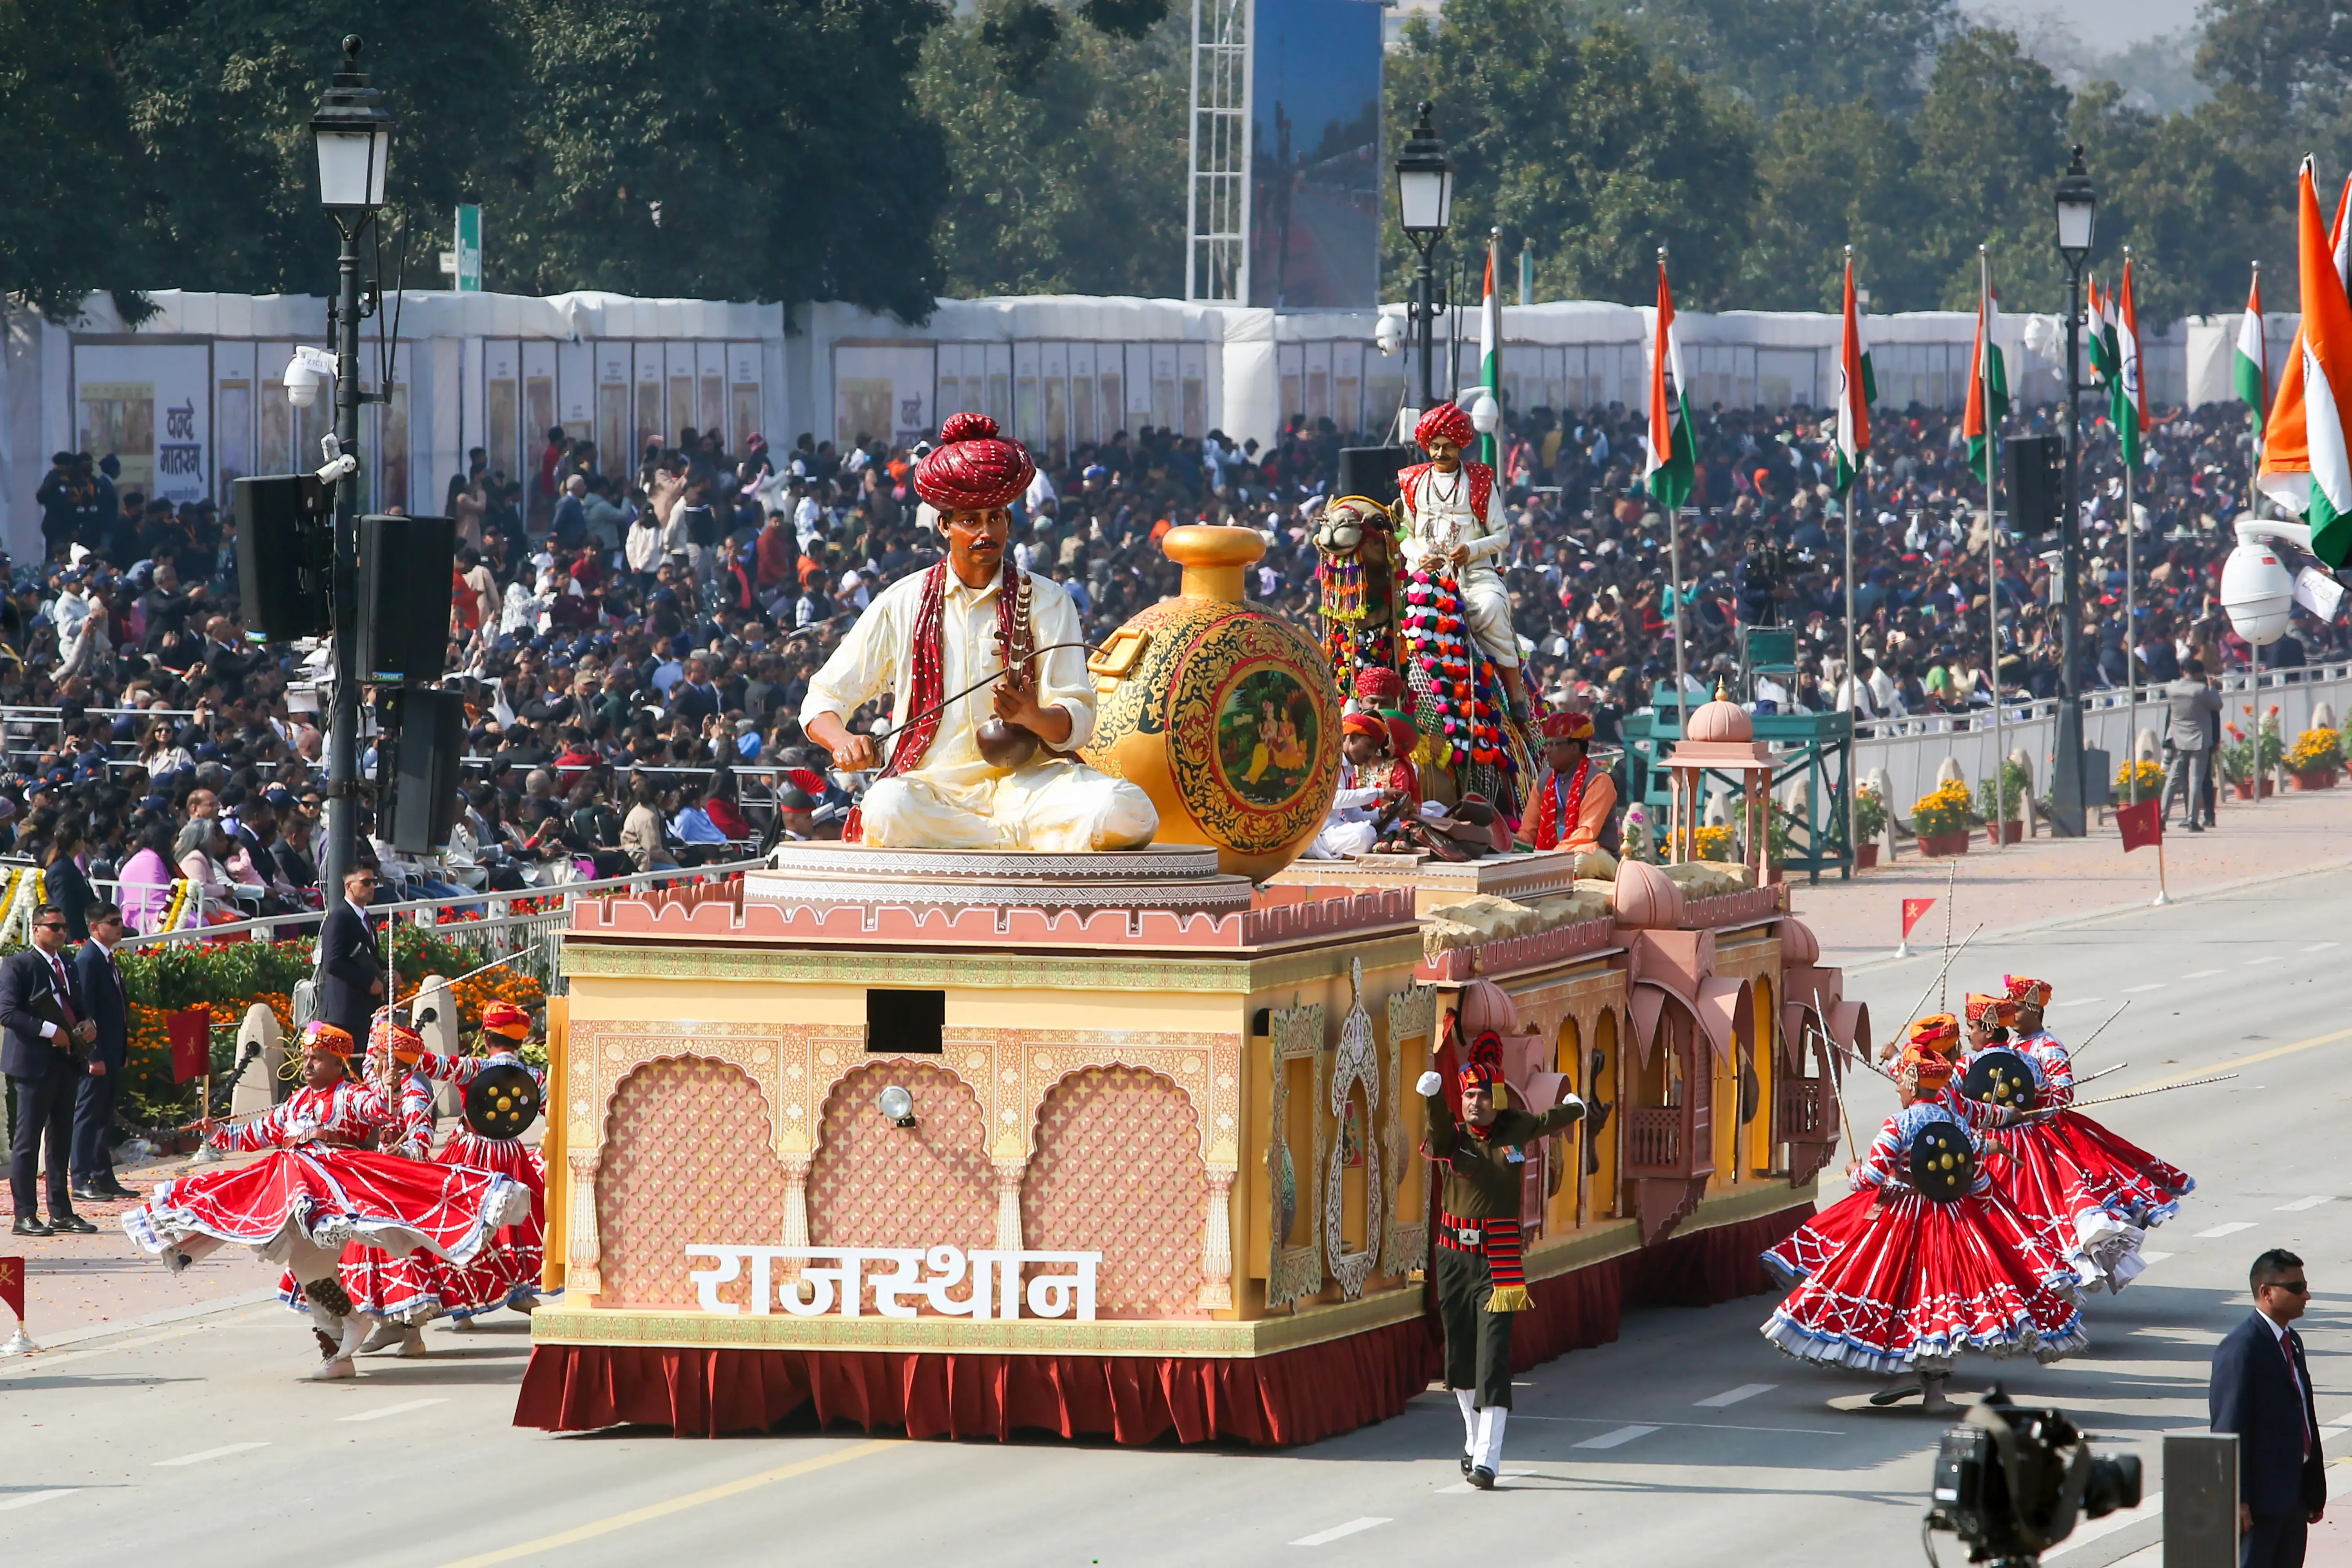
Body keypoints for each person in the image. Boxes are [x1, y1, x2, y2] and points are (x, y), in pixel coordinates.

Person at [799, 413, 1156, 852]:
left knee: (1127, 810)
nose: (986, 532)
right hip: (933, 791)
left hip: (1031, 788)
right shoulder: (903, 601)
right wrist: (844, 741)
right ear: (945, 526)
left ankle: (1000, 837)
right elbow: (823, 698)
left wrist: (1033, 716)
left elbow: (1077, 720)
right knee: (886, 809)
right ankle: (1012, 843)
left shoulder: (1048, 600)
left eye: (996, 518)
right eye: (971, 520)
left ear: (1009, 522)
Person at [125, 1020, 528, 1381]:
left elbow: (379, 1110)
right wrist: (217, 1132)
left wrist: (388, 1089)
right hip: (294, 1197)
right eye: (306, 1057)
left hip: (336, 1194)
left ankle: (376, 1328)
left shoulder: (350, 1096)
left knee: (345, 1258)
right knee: (305, 1268)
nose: (309, 1064)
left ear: (338, 1063)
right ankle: (343, 1342)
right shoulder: (297, 1102)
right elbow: (259, 1134)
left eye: (318, 1058)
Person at [1762, 1014, 2081, 1414]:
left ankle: (1908, 1371)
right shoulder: (1954, 1121)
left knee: (1902, 1292)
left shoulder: (1899, 1123)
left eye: (1900, 1082)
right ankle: (1933, 1393)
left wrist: (1852, 1171)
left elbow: (1872, 1175)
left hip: (1905, 1219)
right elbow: (1974, 1174)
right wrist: (1982, 1204)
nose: (1897, 1087)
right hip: (1952, 1220)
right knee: (1941, 1303)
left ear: (1912, 1085)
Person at [1415, 1034, 1586, 1489]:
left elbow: (1549, 1120)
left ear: (1498, 1099)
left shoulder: (1514, 1129)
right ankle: (1473, 1440)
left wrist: (1577, 1107)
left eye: (1483, 1095)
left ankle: (1490, 1459)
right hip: (1454, 1257)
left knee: (1493, 1358)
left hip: (1500, 1256)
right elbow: (1437, 1131)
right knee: (1462, 1357)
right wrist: (1433, 1097)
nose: (1475, 1102)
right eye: (1468, 1094)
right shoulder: (1455, 1138)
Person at [1396, 403, 1528, 713]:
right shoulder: (1413, 483)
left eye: (1448, 447)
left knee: (1494, 608)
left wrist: (1471, 551)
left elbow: (1502, 536)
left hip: (1474, 576)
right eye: (1435, 447)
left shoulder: (1480, 482)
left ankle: (1516, 695)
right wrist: (1419, 555)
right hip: (1424, 577)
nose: (1440, 454)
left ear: (1460, 446)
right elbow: (1403, 534)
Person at [2210, 1249, 2325, 1568]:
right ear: (2267, 1292)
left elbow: (2304, 1415)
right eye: (2296, 1288)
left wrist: (2313, 1490)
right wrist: (2235, 1497)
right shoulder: (2241, 1349)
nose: (2307, 1296)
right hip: (2258, 1506)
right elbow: (2228, 1427)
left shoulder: (2293, 1342)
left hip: (2293, 1497)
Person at [2, 904, 98, 1236]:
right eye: (53, 926)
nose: (60, 932)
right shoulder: (19, 965)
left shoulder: (68, 965)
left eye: (63, 926)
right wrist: (49, 1030)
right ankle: (25, 1214)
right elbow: (7, 1012)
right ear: (37, 929)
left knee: (60, 1141)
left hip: (66, 1061)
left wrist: (89, 1024)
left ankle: (61, 1211)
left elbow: (79, 1006)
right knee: (28, 1142)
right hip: (33, 1063)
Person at [69, 902, 132, 1201]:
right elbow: (87, 1014)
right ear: (95, 927)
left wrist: (120, 1050)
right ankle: (81, 1178)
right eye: (113, 922)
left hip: (111, 1051)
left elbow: (116, 1011)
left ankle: (104, 1177)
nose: (120, 926)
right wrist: (94, 1056)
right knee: (88, 1116)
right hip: (96, 1056)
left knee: (103, 1116)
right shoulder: (88, 960)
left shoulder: (107, 959)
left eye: (119, 921)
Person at [1520, 709, 1617, 859]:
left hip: (1592, 855)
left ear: (1574, 748)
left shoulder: (1598, 780)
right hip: (1552, 855)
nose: (1547, 751)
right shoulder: (1544, 779)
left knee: (1583, 855)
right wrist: (1517, 845)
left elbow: (1587, 833)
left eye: (1554, 745)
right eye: (1547, 744)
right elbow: (1529, 830)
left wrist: (1551, 856)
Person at [316, 867, 386, 1044]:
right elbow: (333, 962)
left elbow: (372, 956)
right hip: (345, 1014)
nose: (372, 887)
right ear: (349, 886)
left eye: (374, 882)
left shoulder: (366, 918)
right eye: (366, 883)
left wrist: (387, 972)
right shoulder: (339, 918)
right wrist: (369, 981)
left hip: (364, 1011)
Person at [2160, 658, 2222, 831]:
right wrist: (2212, 687)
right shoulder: (2202, 691)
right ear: (2200, 673)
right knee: (2196, 780)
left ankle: (2162, 817)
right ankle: (2193, 820)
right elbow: (2217, 705)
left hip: (2178, 740)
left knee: (2172, 780)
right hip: (2199, 740)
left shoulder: (2171, 689)